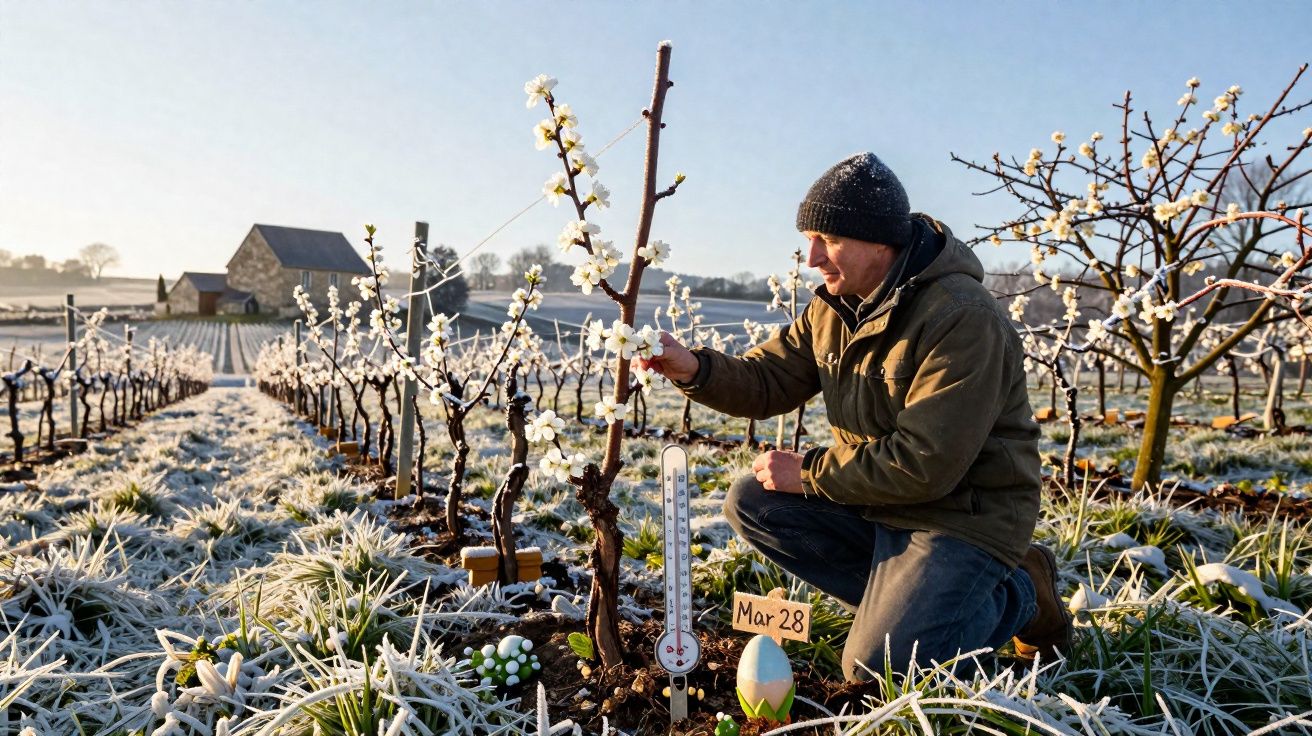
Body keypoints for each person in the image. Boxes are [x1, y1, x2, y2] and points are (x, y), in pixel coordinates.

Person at [636, 152, 1073, 681]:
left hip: (962, 516)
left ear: (880, 241)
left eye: (829, 239)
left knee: (877, 667)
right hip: (879, 503)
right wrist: (691, 367)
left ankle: (1020, 592)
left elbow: (925, 463)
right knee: (753, 500)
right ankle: (913, 605)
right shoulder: (835, 308)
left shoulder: (963, 317)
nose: (812, 258)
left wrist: (811, 473)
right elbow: (769, 381)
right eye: (809, 239)